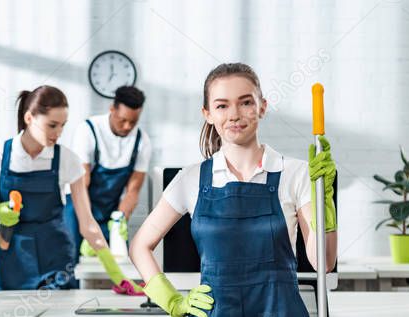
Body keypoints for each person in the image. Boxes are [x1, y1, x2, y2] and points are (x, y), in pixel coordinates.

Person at [129, 63, 338, 316]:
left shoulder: (296, 173)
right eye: (222, 105)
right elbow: (139, 245)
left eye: (246, 102)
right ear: (208, 113)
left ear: (262, 107)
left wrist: (324, 198)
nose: (234, 114)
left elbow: (323, 262)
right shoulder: (191, 179)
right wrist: (173, 301)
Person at [0, 85, 141, 293]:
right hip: (12, 259)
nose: (58, 133)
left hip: (56, 260)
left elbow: (87, 224)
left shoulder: (67, 160)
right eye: (52, 125)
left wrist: (117, 276)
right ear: (29, 118)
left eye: (63, 125)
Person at [65, 86, 151, 259]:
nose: (127, 127)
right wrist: (87, 225)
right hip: (77, 207)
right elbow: (82, 183)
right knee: (71, 260)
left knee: (118, 265)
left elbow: (133, 191)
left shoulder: (142, 141)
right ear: (112, 109)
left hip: (111, 213)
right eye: (122, 120)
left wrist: (120, 220)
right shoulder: (88, 130)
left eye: (133, 122)